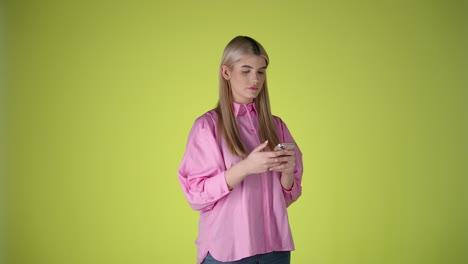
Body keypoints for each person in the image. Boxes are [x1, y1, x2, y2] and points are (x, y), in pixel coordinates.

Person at [178, 36, 303, 264]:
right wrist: (245, 168)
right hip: (227, 250)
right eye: (245, 71)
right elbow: (196, 195)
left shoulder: (277, 126)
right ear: (226, 72)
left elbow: (287, 196)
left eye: (261, 72)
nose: (255, 79)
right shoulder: (207, 127)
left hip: (274, 250)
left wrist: (287, 174)